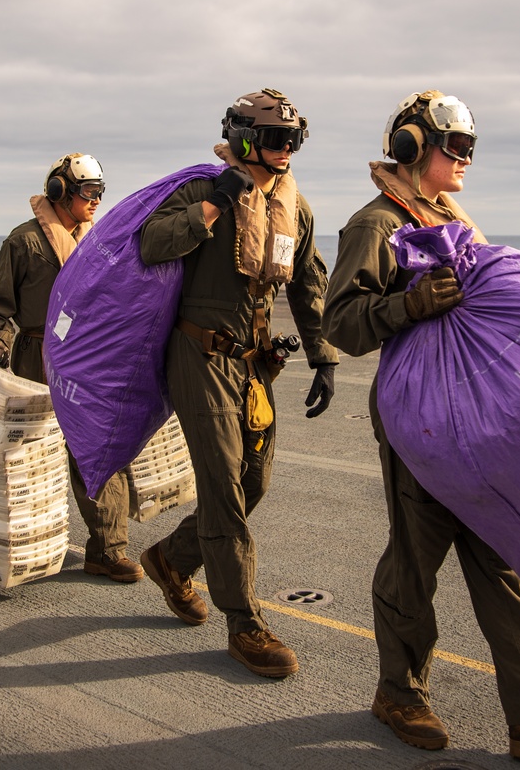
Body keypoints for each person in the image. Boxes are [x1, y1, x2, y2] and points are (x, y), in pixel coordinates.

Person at [322, 90, 520, 760]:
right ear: (409, 147)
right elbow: (340, 321)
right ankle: (399, 692)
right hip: (419, 419)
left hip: (478, 421)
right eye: (453, 146)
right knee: (414, 561)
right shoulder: (375, 225)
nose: (465, 159)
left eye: (469, 148)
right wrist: (407, 304)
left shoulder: (454, 218)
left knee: (506, 560)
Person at [137, 88, 339, 678]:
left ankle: (172, 561)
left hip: (254, 364)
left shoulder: (293, 208)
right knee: (224, 487)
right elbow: (152, 244)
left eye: (293, 141)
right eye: (275, 139)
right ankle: (244, 622)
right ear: (246, 137)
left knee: (254, 482)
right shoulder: (205, 189)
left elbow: (307, 282)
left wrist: (323, 355)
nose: (285, 150)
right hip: (199, 355)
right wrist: (215, 206)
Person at [0, 154, 143, 583]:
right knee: (32, 455)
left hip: (91, 358)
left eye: (100, 192)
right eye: (89, 192)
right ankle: (26, 539)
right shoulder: (24, 243)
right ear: (59, 193)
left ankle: (108, 549)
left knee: (98, 446)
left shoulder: (102, 242)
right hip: (38, 358)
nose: (97, 201)